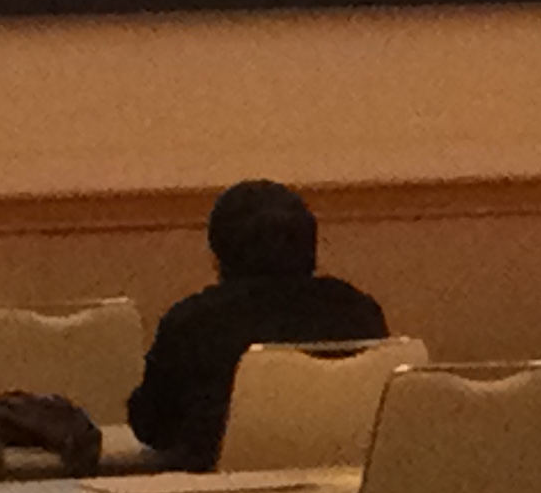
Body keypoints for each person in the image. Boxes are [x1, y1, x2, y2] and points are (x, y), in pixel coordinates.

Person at [125, 181, 388, 472]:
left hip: (216, 489)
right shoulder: (359, 312)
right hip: (349, 482)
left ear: (218, 253)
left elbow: (153, 426)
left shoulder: (193, 321)